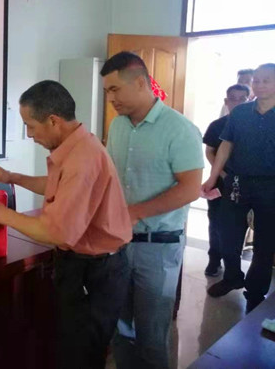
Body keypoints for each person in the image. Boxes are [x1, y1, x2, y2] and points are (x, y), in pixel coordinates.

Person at [0, 80, 132, 369]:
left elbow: (56, 232)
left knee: (80, 355)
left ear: (53, 121)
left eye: (31, 126)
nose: (29, 134)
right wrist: (11, 177)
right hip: (82, 265)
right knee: (65, 345)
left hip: (96, 271)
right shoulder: (76, 147)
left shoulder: (83, 159)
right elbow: (55, 185)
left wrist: (2, 214)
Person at [100, 52, 203, 368]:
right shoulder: (118, 126)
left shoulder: (179, 129)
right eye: (107, 91)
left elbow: (190, 188)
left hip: (158, 247)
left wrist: (136, 212)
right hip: (119, 243)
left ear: (140, 83)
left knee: (152, 335)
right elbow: (111, 177)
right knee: (121, 329)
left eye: (115, 89)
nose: (110, 98)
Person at [202, 63, 275, 313]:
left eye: (266, 80)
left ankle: (255, 292)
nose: (260, 85)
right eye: (257, 80)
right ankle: (232, 276)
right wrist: (213, 177)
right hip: (236, 182)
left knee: (265, 244)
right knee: (227, 235)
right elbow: (225, 145)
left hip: (270, 186)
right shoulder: (241, 113)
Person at [202, 84, 250, 276]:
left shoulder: (255, 125)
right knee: (216, 223)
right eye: (233, 99)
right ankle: (214, 260)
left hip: (247, 185)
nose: (237, 103)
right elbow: (210, 152)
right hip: (221, 183)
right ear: (226, 101)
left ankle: (233, 267)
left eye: (242, 99)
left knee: (239, 226)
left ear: (249, 100)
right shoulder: (217, 125)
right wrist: (221, 174)